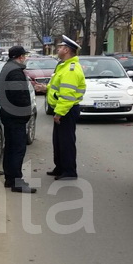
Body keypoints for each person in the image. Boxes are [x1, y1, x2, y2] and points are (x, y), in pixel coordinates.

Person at [35, 36, 85, 180]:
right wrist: (45, 88)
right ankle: (60, 167)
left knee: (66, 142)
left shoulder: (70, 69)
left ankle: (69, 171)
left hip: (66, 110)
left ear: (67, 50)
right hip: (63, 109)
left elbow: (67, 95)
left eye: (61, 47)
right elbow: (58, 88)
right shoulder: (63, 66)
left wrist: (59, 113)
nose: (58, 49)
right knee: (58, 141)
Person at [0, 46, 36, 193]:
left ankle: (9, 178)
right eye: (24, 56)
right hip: (15, 116)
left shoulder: (8, 68)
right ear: (20, 57)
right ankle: (16, 181)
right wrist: (25, 111)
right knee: (17, 149)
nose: (25, 58)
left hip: (9, 114)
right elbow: (18, 96)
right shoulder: (14, 72)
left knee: (10, 148)